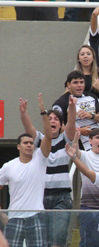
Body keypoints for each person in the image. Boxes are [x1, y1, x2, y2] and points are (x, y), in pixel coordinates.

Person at [14, 94, 75, 247]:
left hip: (61, 197)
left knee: (59, 237)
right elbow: (28, 128)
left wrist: (72, 107)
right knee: (40, 239)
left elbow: (72, 123)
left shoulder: (65, 139)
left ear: (61, 125)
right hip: (39, 196)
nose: (52, 121)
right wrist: (23, 113)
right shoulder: (39, 139)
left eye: (56, 119)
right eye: (49, 118)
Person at [0, 95, 56, 247]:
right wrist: (1, 213)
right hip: (14, 217)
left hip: (36, 216)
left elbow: (49, 137)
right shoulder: (8, 166)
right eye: (25, 143)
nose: (29, 145)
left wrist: (43, 112)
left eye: (31, 143)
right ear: (18, 146)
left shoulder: (40, 158)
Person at [52, 71, 99, 150]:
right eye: (75, 83)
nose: (79, 85)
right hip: (77, 145)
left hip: (98, 142)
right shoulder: (61, 102)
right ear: (68, 85)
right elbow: (56, 128)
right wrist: (79, 131)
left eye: (81, 82)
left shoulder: (92, 97)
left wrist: (92, 115)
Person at [75, 45, 99, 110]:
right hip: (79, 110)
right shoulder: (74, 75)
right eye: (82, 54)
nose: (85, 56)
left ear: (93, 57)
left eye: (88, 54)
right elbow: (67, 95)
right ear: (78, 59)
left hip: (96, 110)